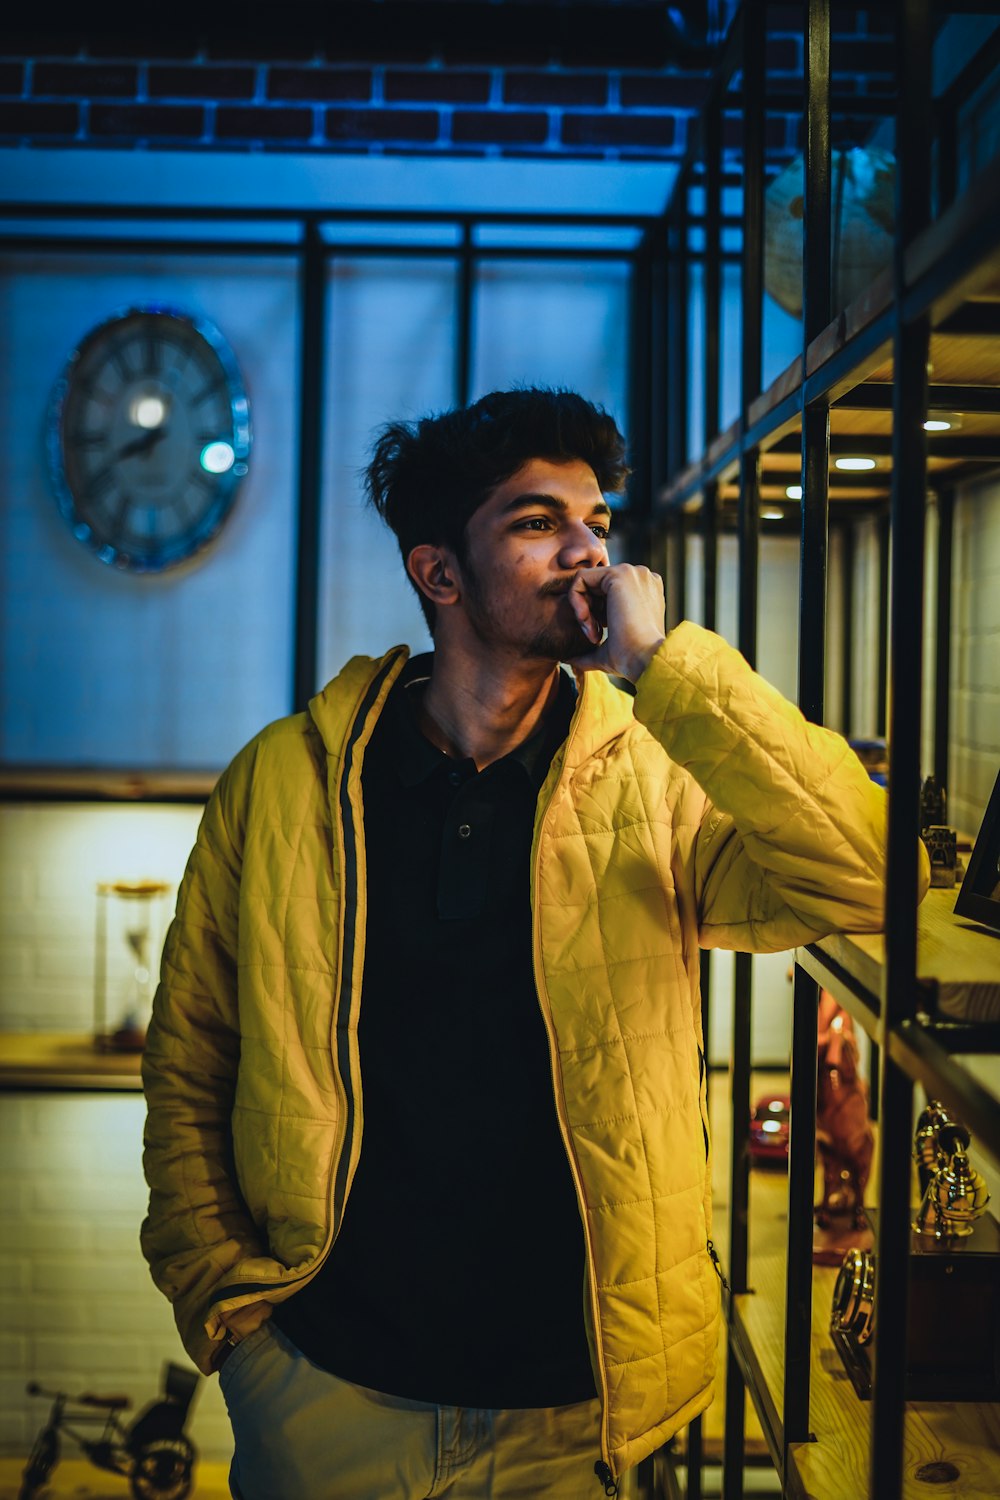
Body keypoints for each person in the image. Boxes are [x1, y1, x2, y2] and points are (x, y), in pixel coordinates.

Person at [141, 387, 904, 1500]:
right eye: (538, 521)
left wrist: (671, 671)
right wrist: (234, 1318)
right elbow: (190, 1057)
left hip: (574, 1413)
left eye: (595, 519)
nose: (588, 550)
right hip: (327, 1396)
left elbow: (861, 875)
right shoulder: (284, 781)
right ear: (437, 573)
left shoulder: (650, 774)